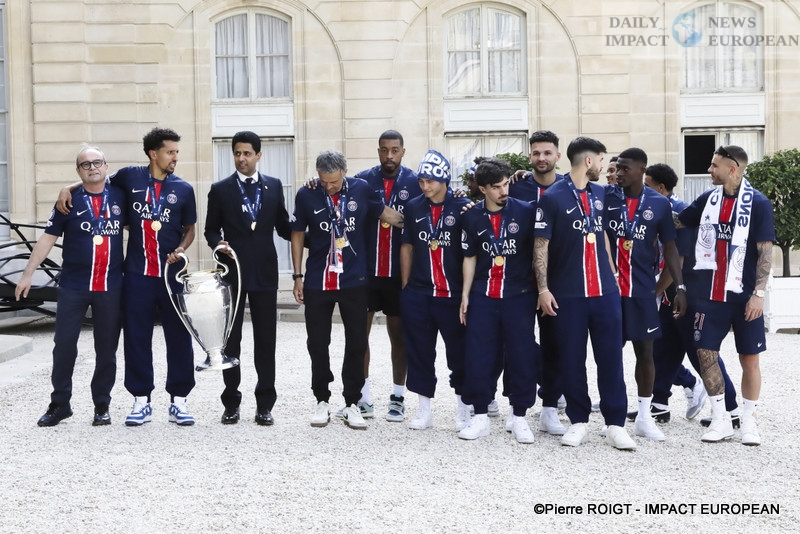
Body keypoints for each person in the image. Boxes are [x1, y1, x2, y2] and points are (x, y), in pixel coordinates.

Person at [57, 127, 197, 426]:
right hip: (136, 275)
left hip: (171, 276)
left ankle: (179, 401)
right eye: (170, 152)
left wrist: (182, 249)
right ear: (153, 153)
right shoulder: (129, 177)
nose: (175, 157)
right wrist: (67, 188)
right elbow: (95, 179)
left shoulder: (184, 189)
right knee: (136, 337)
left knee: (179, 337)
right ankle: (141, 400)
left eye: (176, 152)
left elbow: (190, 229)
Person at [534, 136, 637, 450]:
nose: (605, 167)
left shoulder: (601, 193)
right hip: (569, 293)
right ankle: (578, 421)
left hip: (604, 292)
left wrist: (614, 274)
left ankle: (616, 424)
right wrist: (543, 288)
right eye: (603, 160)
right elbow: (541, 246)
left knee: (611, 359)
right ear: (590, 161)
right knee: (572, 359)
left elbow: (602, 233)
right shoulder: (552, 197)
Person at [291, 150, 403, 430]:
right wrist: (296, 276)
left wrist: (426, 214)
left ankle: (352, 402)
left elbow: (388, 215)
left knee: (356, 342)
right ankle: (321, 399)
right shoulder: (307, 194)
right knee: (317, 343)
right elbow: (296, 234)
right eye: (324, 181)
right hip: (318, 281)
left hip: (354, 281)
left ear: (344, 172)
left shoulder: (362, 190)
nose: (329, 187)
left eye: (334, 182)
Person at [17, 145, 125, 427]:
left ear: (106, 166)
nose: (92, 168)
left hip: (110, 287)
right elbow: (47, 238)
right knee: (64, 346)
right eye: (85, 165)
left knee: (106, 349)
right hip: (74, 286)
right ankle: (60, 404)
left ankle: (102, 405)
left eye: (97, 162)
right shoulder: (68, 200)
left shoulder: (121, 194)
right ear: (78, 171)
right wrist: (28, 273)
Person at [678, 145, 774, 445]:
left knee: (749, 359)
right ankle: (721, 419)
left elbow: (765, 252)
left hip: (745, 296)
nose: (709, 170)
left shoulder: (758, 203)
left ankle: (749, 421)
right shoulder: (708, 199)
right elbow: (680, 220)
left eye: (714, 165)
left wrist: (758, 294)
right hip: (709, 295)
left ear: (732, 170)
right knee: (706, 354)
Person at [204, 130, 292, 426]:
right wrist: (218, 243)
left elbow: (284, 226)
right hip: (233, 274)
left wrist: (312, 234)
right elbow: (211, 229)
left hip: (265, 273)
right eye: (237, 153)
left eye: (247, 153)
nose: (241, 159)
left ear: (258, 155)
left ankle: (265, 404)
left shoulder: (275, 186)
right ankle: (231, 403)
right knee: (231, 342)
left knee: (266, 341)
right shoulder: (220, 189)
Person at [604, 148, 686, 442]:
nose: (619, 174)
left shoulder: (659, 204)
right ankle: (612, 417)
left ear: (641, 170)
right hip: (609, 292)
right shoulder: (606, 198)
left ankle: (644, 416)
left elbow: (672, 248)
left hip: (641, 291)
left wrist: (680, 287)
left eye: (625, 168)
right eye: (616, 168)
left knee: (646, 353)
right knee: (609, 355)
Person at [458, 158, 539, 444]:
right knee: (479, 355)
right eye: (496, 187)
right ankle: (480, 416)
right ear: (482, 189)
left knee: (522, 354)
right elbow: (469, 257)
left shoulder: (527, 212)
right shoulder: (470, 217)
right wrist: (465, 296)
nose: (504, 191)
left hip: (519, 296)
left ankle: (519, 416)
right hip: (483, 295)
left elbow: (540, 252)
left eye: (506, 184)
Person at [353, 130, 421, 422]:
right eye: (384, 150)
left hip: (398, 274)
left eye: (394, 150)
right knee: (359, 336)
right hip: (365, 273)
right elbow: (332, 190)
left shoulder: (416, 182)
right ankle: (364, 396)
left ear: (403, 151)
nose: (389, 156)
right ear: (378, 151)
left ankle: (397, 395)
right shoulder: (361, 180)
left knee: (400, 337)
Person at [399, 150, 470, 430]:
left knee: (460, 353)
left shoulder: (462, 206)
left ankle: (463, 408)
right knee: (419, 352)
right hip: (420, 294)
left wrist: (466, 293)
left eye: (430, 181)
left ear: (444, 180)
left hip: (451, 296)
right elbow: (406, 246)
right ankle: (424, 408)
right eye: (421, 181)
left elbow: (470, 254)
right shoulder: (414, 207)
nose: (425, 186)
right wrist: (406, 286)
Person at [508, 129, 567, 435]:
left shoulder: (570, 187)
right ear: (529, 156)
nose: (541, 158)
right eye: (536, 153)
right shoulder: (517, 187)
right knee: (517, 343)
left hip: (558, 280)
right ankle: (515, 406)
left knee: (555, 344)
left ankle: (549, 407)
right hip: (519, 280)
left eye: (547, 153)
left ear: (558, 155)